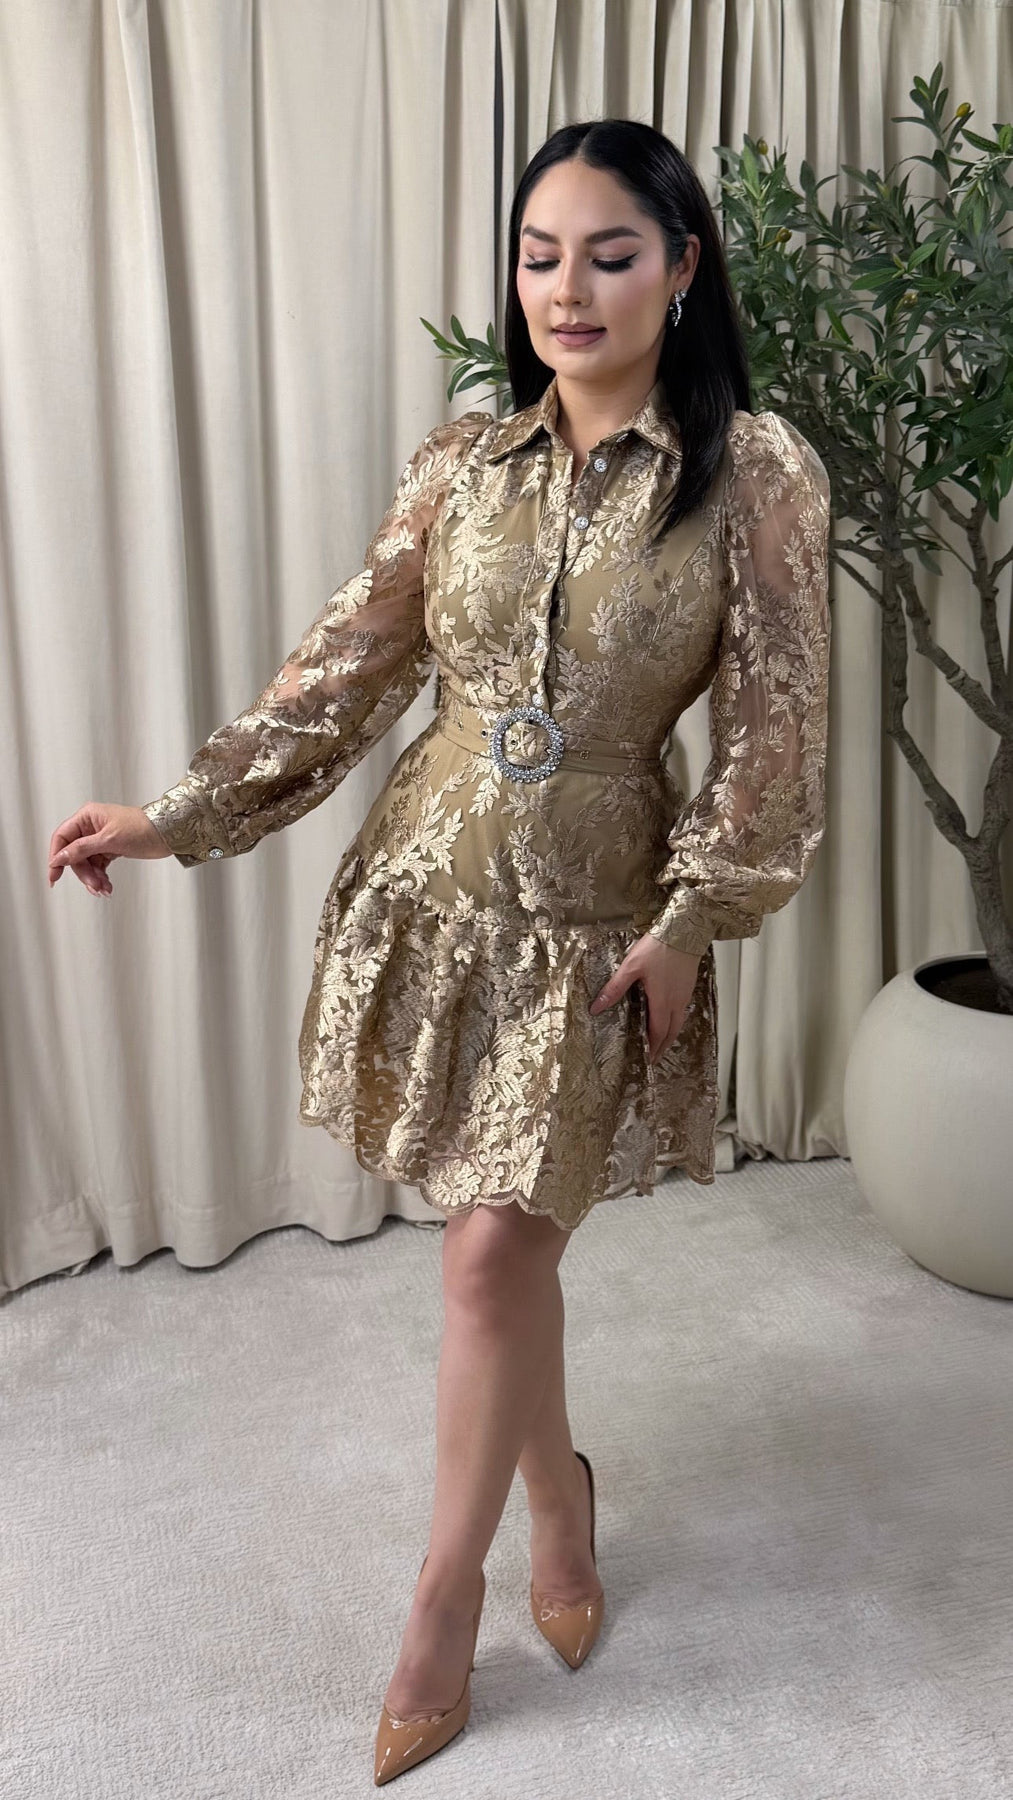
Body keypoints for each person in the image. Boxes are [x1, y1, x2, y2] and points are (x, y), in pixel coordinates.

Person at [48, 118, 831, 1784]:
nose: (567, 289)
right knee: (503, 1252)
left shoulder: (749, 469)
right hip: (425, 893)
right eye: (539, 256)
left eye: (608, 254)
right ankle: (558, 1501)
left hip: (599, 925)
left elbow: (778, 727)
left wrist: (694, 918)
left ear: (680, 268)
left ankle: (440, 1596)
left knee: (486, 1259)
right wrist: (174, 816)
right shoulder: (464, 461)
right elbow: (343, 670)